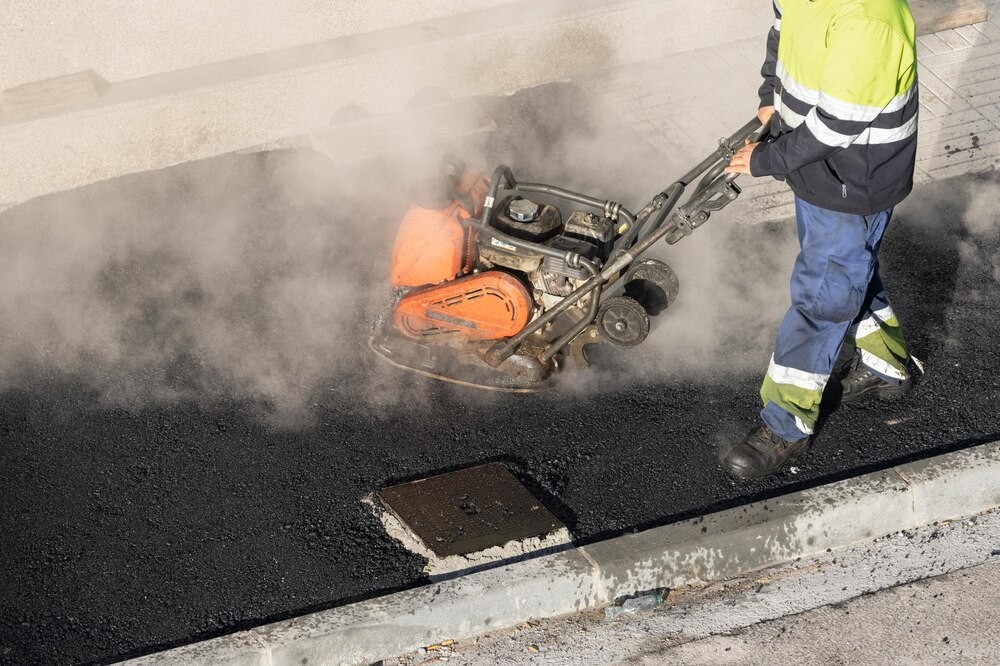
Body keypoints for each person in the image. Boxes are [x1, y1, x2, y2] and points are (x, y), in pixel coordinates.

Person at [723, 0, 919, 479]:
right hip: (821, 171)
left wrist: (765, 160)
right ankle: (886, 364)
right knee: (846, 270)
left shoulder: (868, 21)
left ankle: (785, 427)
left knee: (822, 296)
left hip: (853, 176)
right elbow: (782, 27)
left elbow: (837, 125)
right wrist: (771, 92)